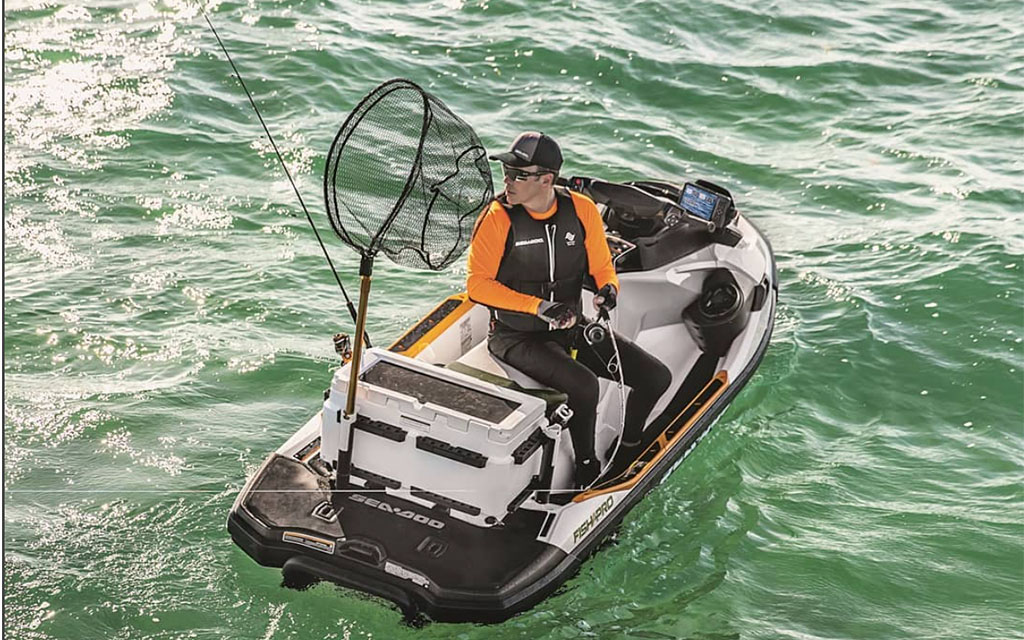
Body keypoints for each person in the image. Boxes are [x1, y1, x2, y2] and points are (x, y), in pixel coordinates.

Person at [466, 131, 672, 488]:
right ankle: (587, 467)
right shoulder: (497, 218)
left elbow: (602, 267)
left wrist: (608, 289)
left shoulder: (581, 209)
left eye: (518, 174)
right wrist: (538, 307)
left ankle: (629, 447)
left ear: (547, 180)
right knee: (584, 385)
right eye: (506, 172)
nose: (508, 180)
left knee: (655, 378)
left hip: (569, 327)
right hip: (514, 337)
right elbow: (477, 286)